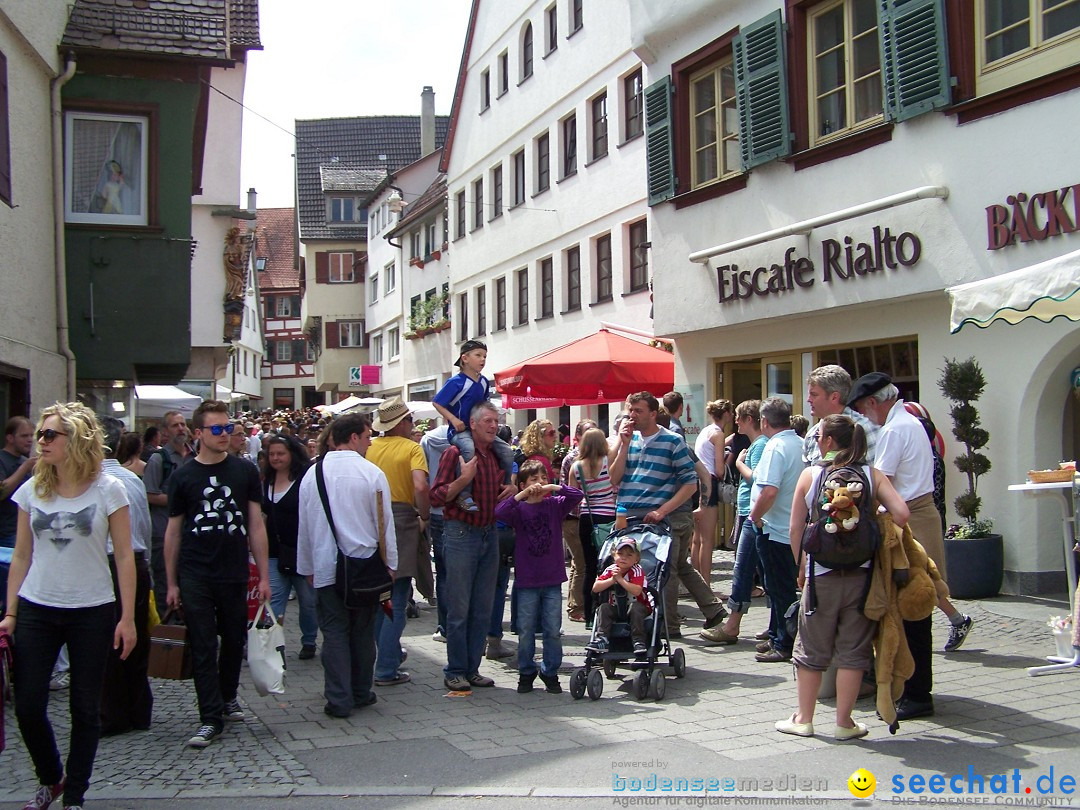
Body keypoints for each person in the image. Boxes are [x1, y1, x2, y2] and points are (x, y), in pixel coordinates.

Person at [0, 403, 136, 810]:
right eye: (39, 434)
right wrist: (9, 612)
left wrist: (127, 618)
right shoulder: (31, 489)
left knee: (84, 706)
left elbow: (125, 556)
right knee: (26, 703)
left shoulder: (109, 489)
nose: (40, 441)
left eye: (49, 435)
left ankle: (74, 794)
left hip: (92, 607)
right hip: (38, 605)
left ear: (75, 440)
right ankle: (51, 777)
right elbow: (21, 556)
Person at [776, 414, 910, 741]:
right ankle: (844, 722)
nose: (817, 439)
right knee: (854, 649)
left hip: (820, 575)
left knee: (811, 647)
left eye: (820, 435)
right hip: (862, 576)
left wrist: (800, 566)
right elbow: (903, 514)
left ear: (829, 442)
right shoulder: (870, 474)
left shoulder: (811, 475)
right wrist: (869, 516)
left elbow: (795, 527)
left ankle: (804, 719)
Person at [849, 372, 970, 719]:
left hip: (910, 518)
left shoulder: (895, 429)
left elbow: (880, 481)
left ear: (873, 402)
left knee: (913, 609)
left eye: (862, 409)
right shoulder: (911, 422)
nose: (864, 416)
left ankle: (917, 693)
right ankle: (914, 689)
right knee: (915, 607)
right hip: (920, 513)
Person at [164, 400, 270, 748]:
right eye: (217, 429)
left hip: (234, 570)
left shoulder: (244, 472)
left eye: (228, 428)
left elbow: (255, 524)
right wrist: (171, 582)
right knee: (204, 644)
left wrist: (264, 576)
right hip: (195, 571)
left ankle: (226, 697)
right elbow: (173, 532)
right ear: (199, 433)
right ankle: (210, 717)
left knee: (234, 640)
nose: (225, 435)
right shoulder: (182, 476)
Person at [297, 413, 397, 718]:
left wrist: (308, 568)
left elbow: (305, 525)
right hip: (365, 566)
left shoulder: (312, 474)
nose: (369, 443)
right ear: (353, 437)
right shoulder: (371, 473)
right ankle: (361, 691)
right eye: (367, 436)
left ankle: (339, 699)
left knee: (335, 633)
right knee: (362, 632)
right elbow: (384, 525)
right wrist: (390, 564)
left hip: (327, 566)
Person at [611, 392, 725, 637]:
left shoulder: (672, 441)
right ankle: (711, 609)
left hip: (661, 519)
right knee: (673, 567)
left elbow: (691, 482)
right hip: (629, 517)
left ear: (653, 414)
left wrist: (663, 511)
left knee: (666, 572)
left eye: (638, 411)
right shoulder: (628, 440)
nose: (632, 416)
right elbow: (614, 478)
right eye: (630, 410)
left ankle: (669, 626)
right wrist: (623, 445)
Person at [429, 401, 509, 693]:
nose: (493, 425)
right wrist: (463, 479)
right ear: (472, 424)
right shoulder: (455, 453)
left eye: (495, 421)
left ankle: (472, 669)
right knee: (460, 608)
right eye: (487, 420)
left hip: (489, 534)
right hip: (461, 533)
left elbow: (499, 493)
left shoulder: (494, 456)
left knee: (482, 609)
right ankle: (455, 670)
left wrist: (510, 490)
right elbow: (436, 496)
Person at [495, 460, 582, 693]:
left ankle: (550, 671)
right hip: (527, 581)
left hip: (552, 579)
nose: (539, 484)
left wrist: (554, 488)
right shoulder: (519, 510)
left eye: (543, 478)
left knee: (553, 630)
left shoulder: (554, 504)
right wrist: (522, 494)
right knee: (525, 630)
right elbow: (499, 512)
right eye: (534, 479)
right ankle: (526, 671)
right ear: (524, 484)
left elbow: (577, 495)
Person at [366, 397, 431, 687]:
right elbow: (420, 485)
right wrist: (425, 515)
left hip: (370, 520)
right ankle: (386, 667)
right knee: (398, 596)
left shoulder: (369, 447)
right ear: (402, 423)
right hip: (403, 518)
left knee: (380, 597)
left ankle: (382, 657)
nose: (413, 425)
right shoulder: (411, 448)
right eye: (410, 420)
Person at [98, 417, 154, 737]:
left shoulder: (96, 481)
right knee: (135, 637)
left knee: (110, 641)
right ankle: (139, 710)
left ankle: (113, 714)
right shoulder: (132, 479)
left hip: (109, 563)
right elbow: (143, 527)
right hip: (135, 560)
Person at [701, 400, 767, 644]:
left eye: (739, 417)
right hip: (751, 510)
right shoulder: (753, 443)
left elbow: (759, 481)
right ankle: (772, 624)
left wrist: (738, 463)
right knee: (749, 566)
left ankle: (733, 625)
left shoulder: (758, 445)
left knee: (744, 566)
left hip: (753, 511)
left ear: (749, 419)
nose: (735, 421)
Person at [747, 398, 806, 663]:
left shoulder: (776, 446)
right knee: (777, 586)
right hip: (790, 526)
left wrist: (754, 516)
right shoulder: (800, 443)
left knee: (779, 587)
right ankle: (775, 634)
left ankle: (784, 642)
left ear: (764, 422)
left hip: (774, 527)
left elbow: (770, 490)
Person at [432, 340, 514, 511]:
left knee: (506, 451)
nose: (482, 359)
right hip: (460, 431)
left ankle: (505, 488)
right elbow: (437, 403)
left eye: (484, 356)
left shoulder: (484, 382)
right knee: (468, 449)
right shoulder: (456, 382)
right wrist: (453, 420)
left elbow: (484, 406)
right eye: (478, 355)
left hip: (478, 430)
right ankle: (464, 494)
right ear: (465, 358)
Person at [263, 434, 317, 661]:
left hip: (301, 551)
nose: (276, 458)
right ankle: (275, 645)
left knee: (308, 602)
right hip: (274, 551)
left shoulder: (305, 478)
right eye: (272, 454)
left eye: (280, 454)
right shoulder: (267, 480)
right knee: (274, 600)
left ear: (292, 455)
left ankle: (309, 640)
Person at [567, 427, 618, 625]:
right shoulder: (607, 461)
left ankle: (589, 615)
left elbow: (572, 496)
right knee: (608, 565)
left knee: (589, 567)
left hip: (587, 519)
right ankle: (607, 612)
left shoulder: (576, 467)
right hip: (607, 518)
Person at [144, 410, 192, 611]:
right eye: (175, 425)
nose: (181, 428)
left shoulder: (195, 455)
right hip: (163, 534)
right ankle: (168, 636)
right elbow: (149, 494)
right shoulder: (158, 459)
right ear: (165, 431)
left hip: (188, 534)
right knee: (165, 588)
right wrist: (180, 500)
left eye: (182, 424)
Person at [559, 419, 598, 622]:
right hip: (573, 518)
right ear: (579, 436)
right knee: (582, 563)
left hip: (586, 516)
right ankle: (577, 608)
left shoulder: (597, 457)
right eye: (589, 431)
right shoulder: (574, 458)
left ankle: (575, 604)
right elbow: (568, 491)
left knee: (578, 562)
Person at [802, 365, 879, 466]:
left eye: (814, 394)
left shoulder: (864, 428)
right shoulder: (812, 435)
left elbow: (876, 475)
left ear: (834, 397)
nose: (809, 399)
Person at [693, 400, 734, 585]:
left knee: (696, 539)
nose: (732, 416)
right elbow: (719, 470)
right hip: (709, 483)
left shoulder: (707, 431)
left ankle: (695, 584)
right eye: (730, 412)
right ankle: (706, 587)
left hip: (696, 483)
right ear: (725, 413)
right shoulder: (718, 434)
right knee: (708, 540)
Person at [588, 538, 653, 655]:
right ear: (614, 555)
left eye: (629, 555)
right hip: (616, 607)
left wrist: (620, 580)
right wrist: (612, 579)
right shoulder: (610, 570)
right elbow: (596, 588)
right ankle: (602, 639)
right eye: (620, 554)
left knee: (636, 607)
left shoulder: (637, 570)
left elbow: (637, 591)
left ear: (636, 559)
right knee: (603, 608)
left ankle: (638, 640)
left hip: (637, 608)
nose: (624, 558)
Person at [1, 416, 35, 610]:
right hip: (6, 534)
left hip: (25, 530)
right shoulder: (3, 460)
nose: (29, 440)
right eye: (24, 436)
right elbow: (2, 491)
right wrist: (24, 469)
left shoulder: (27, 462)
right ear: (10, 438)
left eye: (31, 435)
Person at [421, 425, 451, 644]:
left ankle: (445, 627)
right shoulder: (472, 435)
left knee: (443, 572)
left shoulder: (429, 439)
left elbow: (422, 478)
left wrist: (423, 513)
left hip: (437, 510)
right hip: (467, 512)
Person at [517, 419, 559, 483]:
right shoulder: (540, 460)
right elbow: (545, 490)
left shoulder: (535, 457)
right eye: (551, 433)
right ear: (540, 437)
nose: (556, 436)